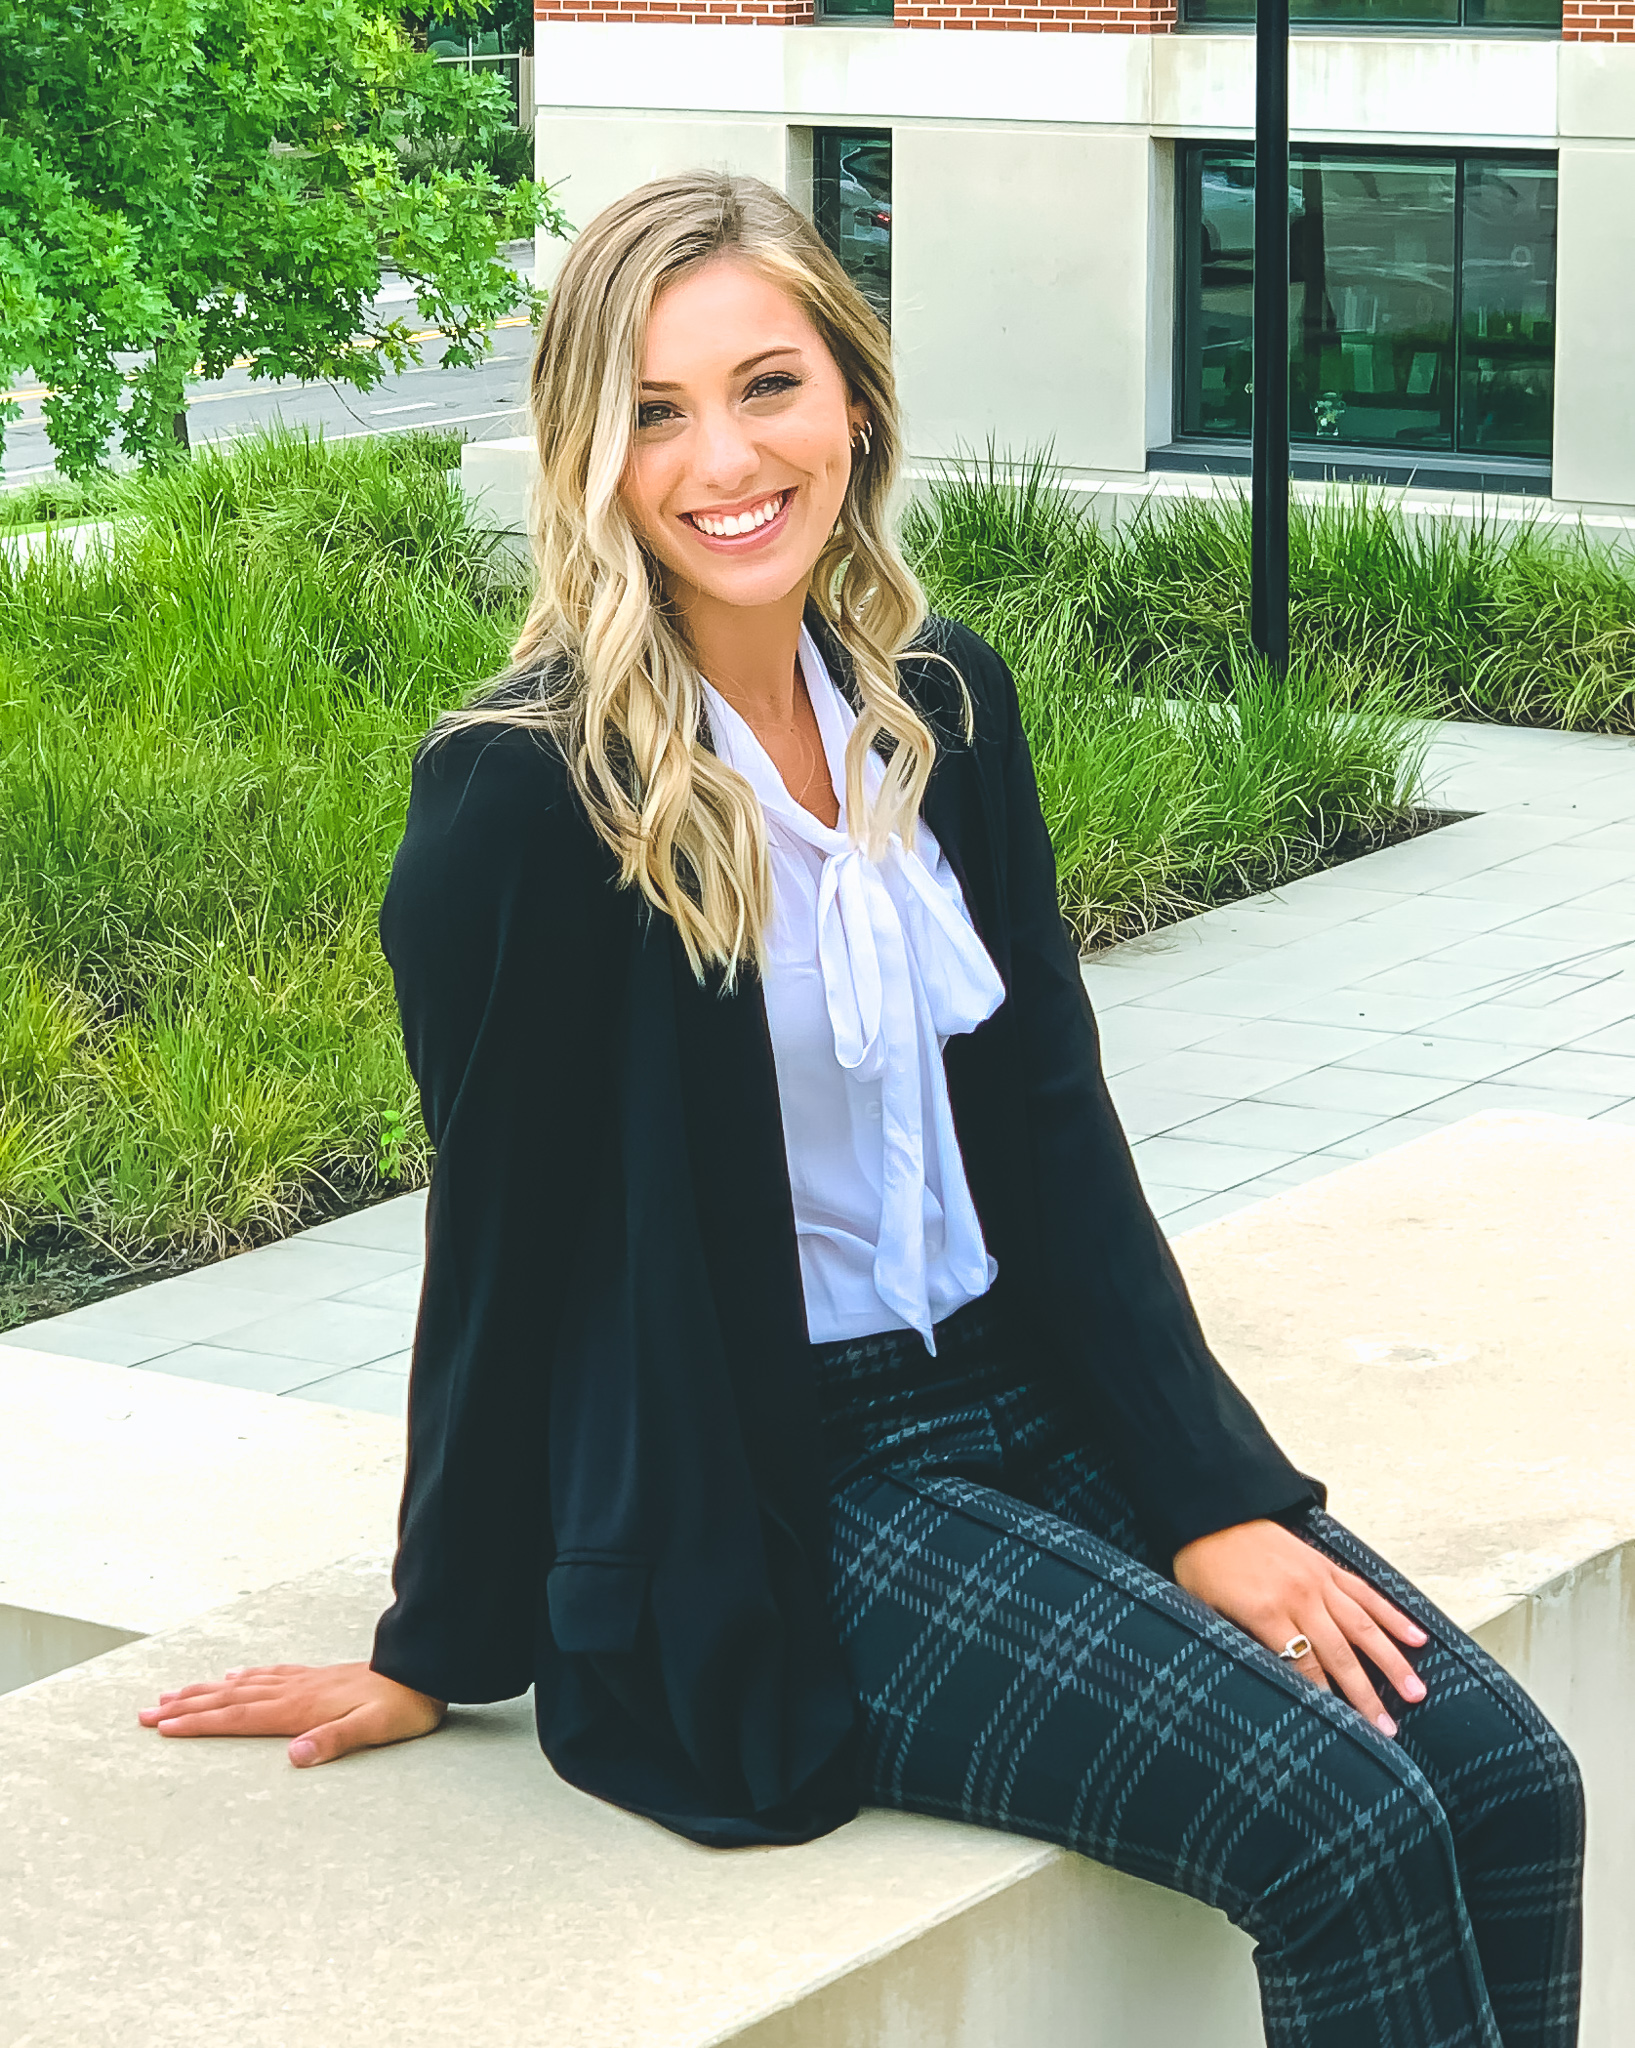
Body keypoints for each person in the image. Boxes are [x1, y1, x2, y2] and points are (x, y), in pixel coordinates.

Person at [140, 171, 1583, 2047]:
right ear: (588, 451)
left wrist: (1213, 1493)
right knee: (1342, 1827)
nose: (725, 460)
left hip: (1030, 1400)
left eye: (770, 386)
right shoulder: (527, 800)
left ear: (854, 398)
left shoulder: (941, 705)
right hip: (786, 1483)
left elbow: (1057, 1138)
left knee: (1510, 1782)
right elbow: (501, 1248)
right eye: (655, 412)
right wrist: (438, 1645)